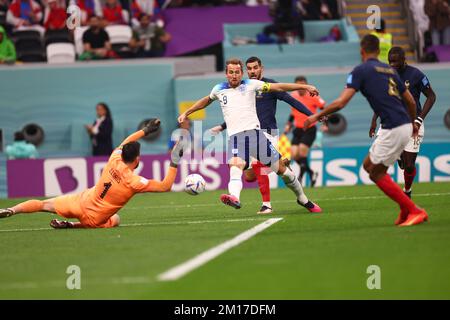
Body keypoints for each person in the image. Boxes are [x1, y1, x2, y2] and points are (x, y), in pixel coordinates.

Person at [304, 34, 428, 227]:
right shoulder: (389, 70)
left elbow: (341, 102)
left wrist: (315, 116)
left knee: (375, 173)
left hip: (393, 127)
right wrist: (413, 123)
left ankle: (413, 210)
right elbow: (411, 101)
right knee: (370, 165)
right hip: (402, 125)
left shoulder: (360, 70)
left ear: (362, 51)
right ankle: (406, 211)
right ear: (379, 52)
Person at [178, 58, 322, 213]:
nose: (234, 75)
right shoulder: (218, 89)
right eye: (231, 72)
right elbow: (206, 101)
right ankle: (234, 197)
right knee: (235, 166)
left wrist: (305, 86)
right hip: (236, 140)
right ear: (226, 74)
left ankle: (303, 199)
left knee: (284, 172)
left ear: (242, 74)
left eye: (237, 72)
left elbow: (279, 87)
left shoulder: (251, 85)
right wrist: (187, 112)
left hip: (257, 137)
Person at [0, 119, 187, 229]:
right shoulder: (135, 181)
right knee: (116, 219)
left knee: (43, 204)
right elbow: (165, 186)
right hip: (93, 219)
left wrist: (145, 130)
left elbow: (126, 141)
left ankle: (11, 210)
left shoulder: (114, 158)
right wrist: (175, 160)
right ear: (137, 159)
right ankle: (72, 226)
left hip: (80, 201)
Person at [369, 46, 436, 199]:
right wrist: (374, 120)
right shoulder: (386, 74)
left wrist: (419, 119)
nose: (392, 64)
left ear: (404, 60)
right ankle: (398, 155)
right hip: (391, 122)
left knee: (409, 165)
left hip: (413, 122)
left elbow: (431, 97)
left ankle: (407, 190)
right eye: (390, 61)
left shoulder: (416, 74)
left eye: (395, 62)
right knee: (376, 161)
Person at [285, 75, 327, 186]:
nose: (301, 87)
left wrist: (325, 123)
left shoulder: (313, 96)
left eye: (303, 85)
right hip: (297, 129)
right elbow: (293, 112)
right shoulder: (293, 96)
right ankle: (311, 173)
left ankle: (302, 174)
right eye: (299, 85)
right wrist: (289, 124)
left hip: (309, 129)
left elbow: (324, 109)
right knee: (294, 154)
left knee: (302, 152)